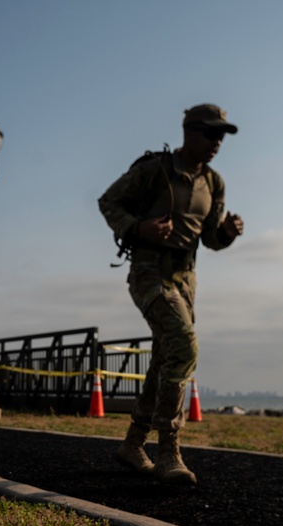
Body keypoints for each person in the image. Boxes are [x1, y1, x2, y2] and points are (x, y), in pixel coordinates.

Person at [98, 103, 244, 484]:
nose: (216, 142)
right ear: (189, 132)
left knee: (165, 359)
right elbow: (108, 201)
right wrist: (138, 228)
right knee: (184, 346)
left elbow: (210, 239)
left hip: (186, 279)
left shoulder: (214, 183)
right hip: (149, 272)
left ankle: (132, 445)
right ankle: (169, 451)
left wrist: (227, 233)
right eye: (211, 133)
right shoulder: (155, 169)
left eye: (222, 136)